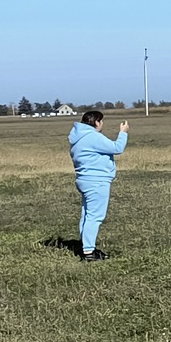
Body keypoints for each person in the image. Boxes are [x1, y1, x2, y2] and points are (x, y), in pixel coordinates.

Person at [68, 108, 129, 260]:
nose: (102, 124)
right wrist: (123, 132)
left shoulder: (78, 137)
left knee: (87, 215)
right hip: (96, 181)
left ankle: (86, 246)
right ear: (96, 122)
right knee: (95, 216)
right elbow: (117, 148)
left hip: (84, 180)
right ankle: (89, 252)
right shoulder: (92, 137)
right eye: (101, 121)